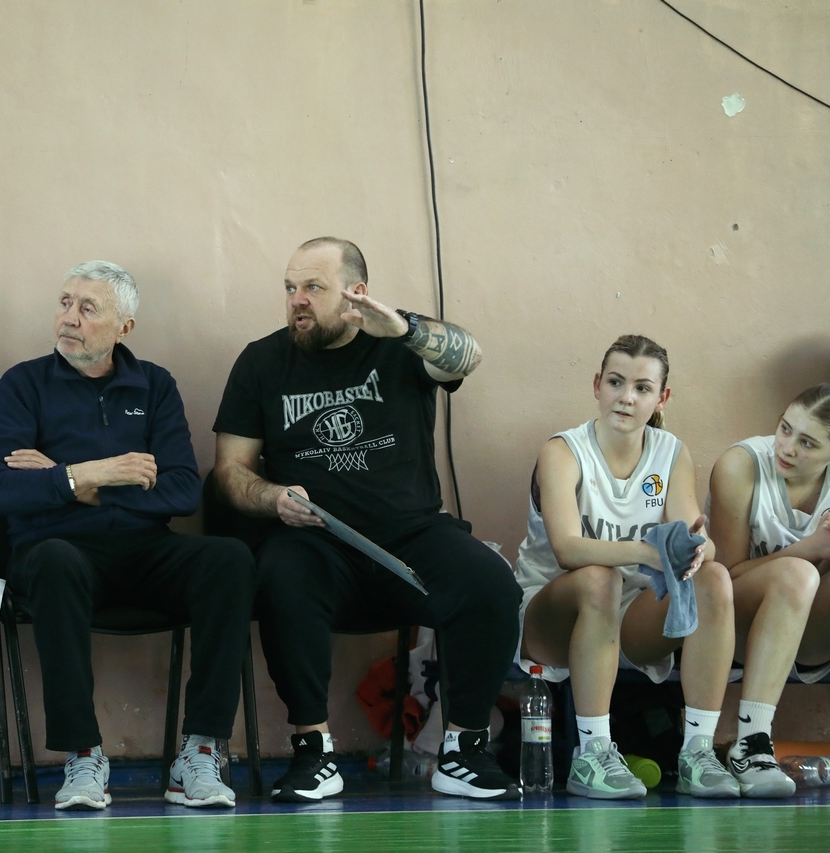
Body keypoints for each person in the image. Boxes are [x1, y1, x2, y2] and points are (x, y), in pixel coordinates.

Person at [213, 237, 522, 801]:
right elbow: (229, 470)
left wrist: (404, 329)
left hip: (412, 535)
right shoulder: (261, 361)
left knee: (491, 584)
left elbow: (468, 356)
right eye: (290, 287)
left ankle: (463, 750)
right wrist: (271, 497)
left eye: (313, 287)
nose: (297, 300)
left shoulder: (402, 346)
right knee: (281, 577)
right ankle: (313, 752)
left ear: (355, 293)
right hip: (316, 540)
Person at [0, 261, 255, 810]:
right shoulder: (23, 384)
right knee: (55, 560)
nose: (68, 318)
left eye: (88, 308)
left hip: (144, 550)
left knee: (229, 558)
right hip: (56, 552)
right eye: (64, 303)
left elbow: (181, 491)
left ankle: (199, 752)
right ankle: (83, 756)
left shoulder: (154, 384)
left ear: (124, 327)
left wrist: (78, 486)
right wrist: (91, 472)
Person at [515, 335, 739, 799]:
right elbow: (567, 550)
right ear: (597, 385)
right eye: (616, 383)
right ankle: (592, 754)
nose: (626, 397)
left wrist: (696, 549)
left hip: (633, 617)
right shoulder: (563, 451)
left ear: (662, 398)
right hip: (555, 616)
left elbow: (691, 537)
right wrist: (644, 551)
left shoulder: (671, 453)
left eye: (642, 388)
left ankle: (697, 752)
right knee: (599, 578)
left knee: (714, 578)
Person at [707, 383, 830, 797]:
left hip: (808, 637)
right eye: (785, 428)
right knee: (797, 574)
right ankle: (752, 744)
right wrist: (810, 549)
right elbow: (723, 578)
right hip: (734, 626)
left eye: (808, 443)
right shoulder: (740, 466)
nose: (788, 448)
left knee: (803, 576)